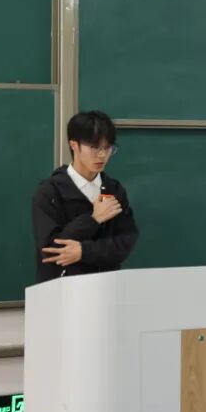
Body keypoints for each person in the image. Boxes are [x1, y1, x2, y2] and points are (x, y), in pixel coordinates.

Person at [31, 111, 139, 283]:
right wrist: (94, 219)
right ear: (74, 145)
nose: (102, 155)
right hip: (62, 289)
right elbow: (51, 250)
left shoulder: (114, 190)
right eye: (95, 147)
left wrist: (83, 251)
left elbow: (125, 241)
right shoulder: (49, 193)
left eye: (108, 148)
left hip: (107, 287)